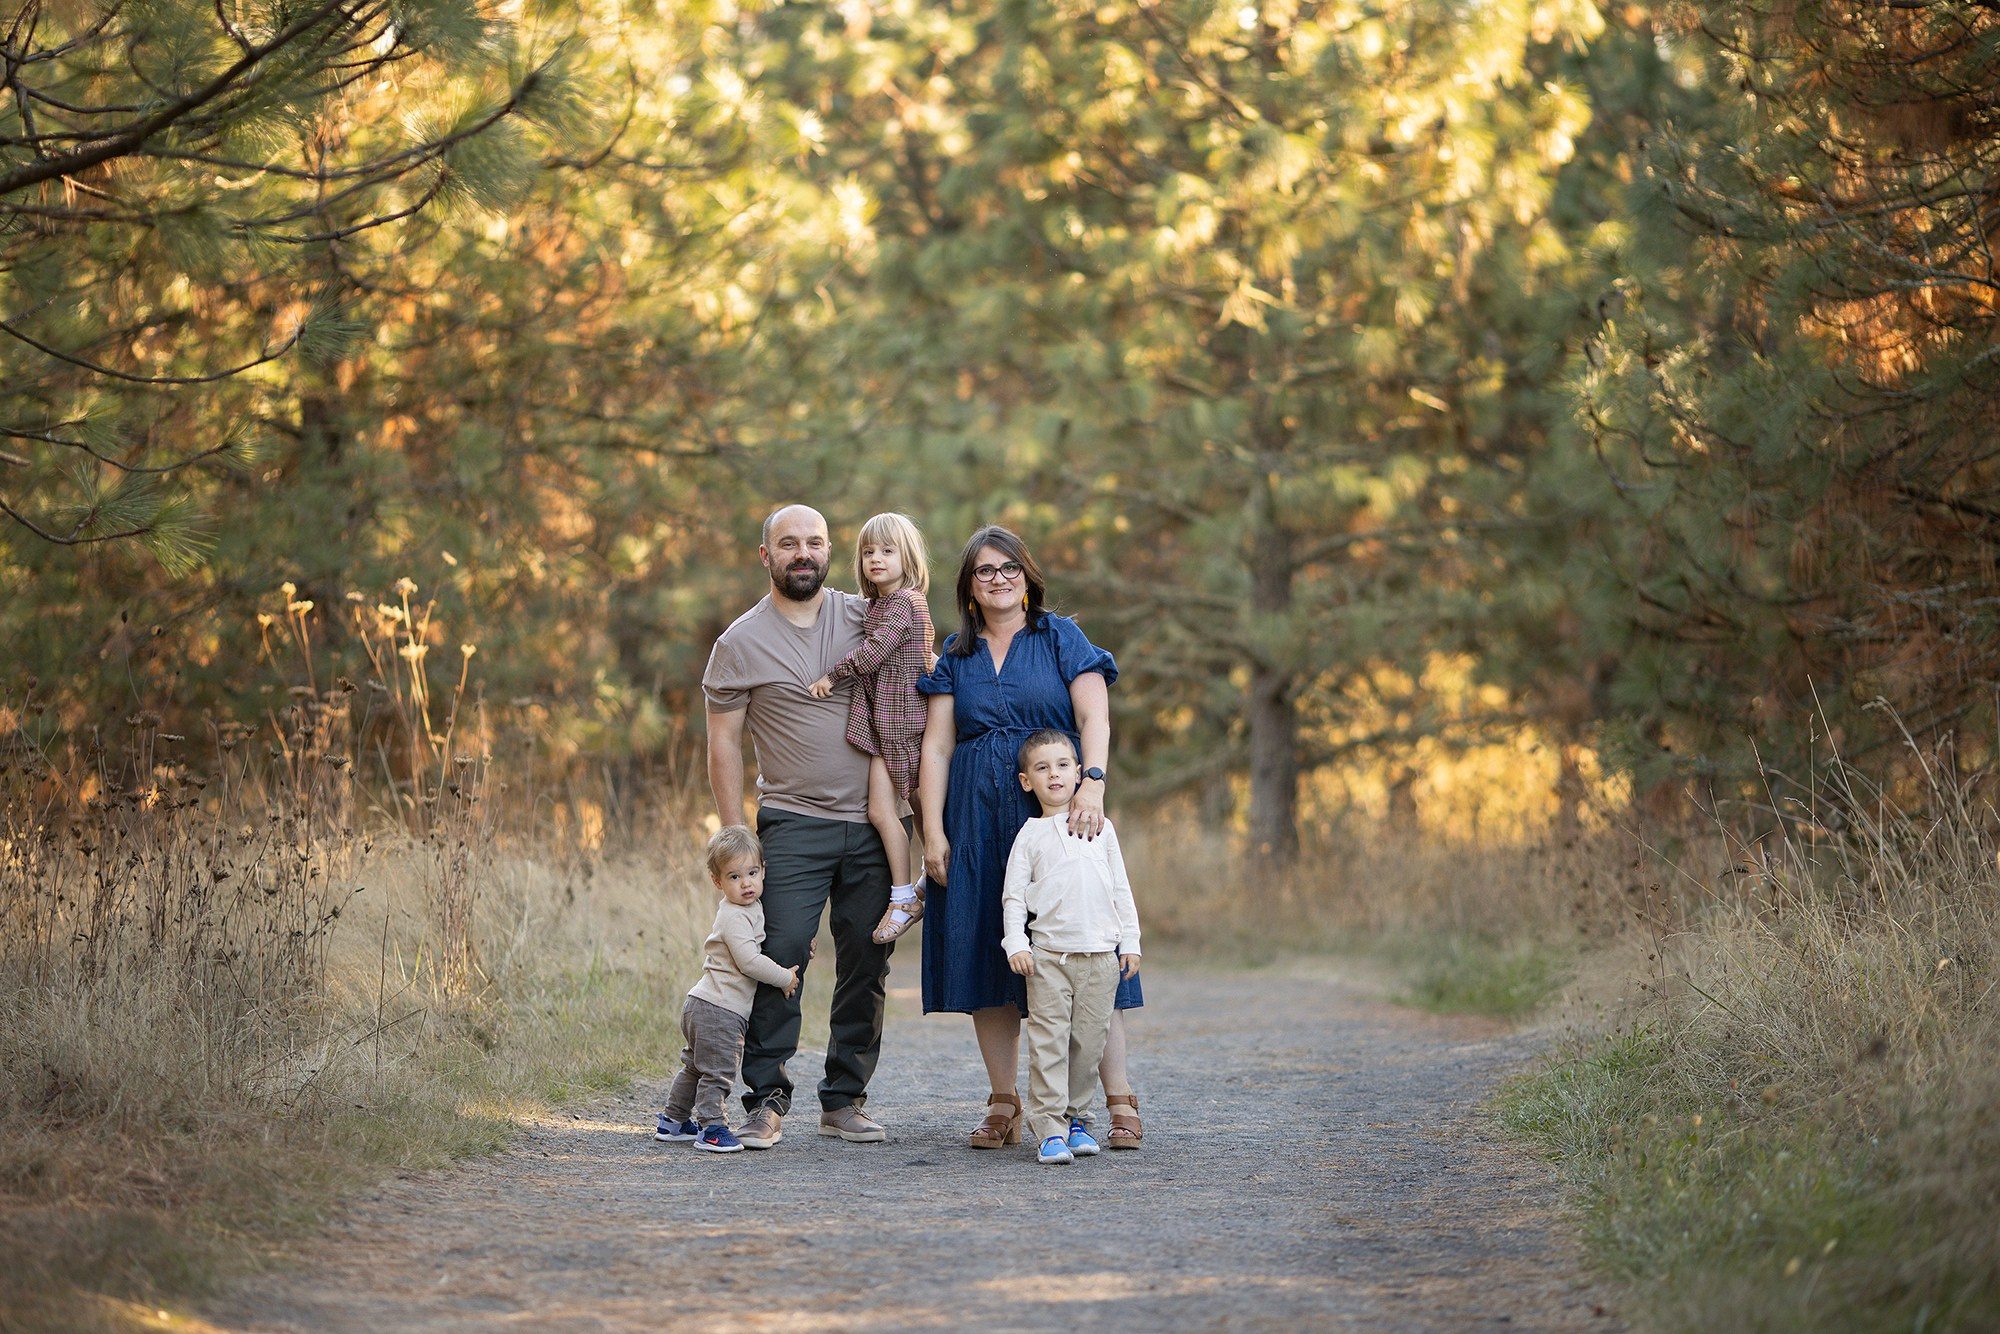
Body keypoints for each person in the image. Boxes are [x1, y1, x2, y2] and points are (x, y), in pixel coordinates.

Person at [917, 525, 1145, 1152]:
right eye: (984, 570)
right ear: (968, 586)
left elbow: (1094, 716)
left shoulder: (1059, 636)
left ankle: (1116, 1097)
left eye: (1009, 567)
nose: (998, 579)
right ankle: (1005, 1101)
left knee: (1085, 947)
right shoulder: (956, 654)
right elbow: (937, 746)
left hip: (1058, 813)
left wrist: (1093, 784)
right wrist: (932, 830)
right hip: (975, 819)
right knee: (990, 949)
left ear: (1027, 576)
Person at [703, 504, 901, 1149]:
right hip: (791, 823)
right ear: (767, 556)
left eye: (814, 542)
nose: (803, 554)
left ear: (828, 550)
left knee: (866, 958)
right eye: (788, 544)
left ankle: (843, 1099)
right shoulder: (739, 643)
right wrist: (736, 838)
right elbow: (724, 744)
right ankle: (766, 1099)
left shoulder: (865, 616)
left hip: (873, 825)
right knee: (779, 952)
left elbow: (919, 669)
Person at [1002, 730, 1142, 1165]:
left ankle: (1076, 1118)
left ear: (1079, 773)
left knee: (1088, 1044)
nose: (1054, 775)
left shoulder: (1103, 829)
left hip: (1100, 957)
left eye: (1063, 765)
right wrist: (1016, 943)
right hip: (1048, 959)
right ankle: (1049, 1129)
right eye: (1042, 768)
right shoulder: (1030, 835)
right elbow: (1014, 896)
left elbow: (1120, 889)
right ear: (1027, 781)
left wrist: (1130, 941)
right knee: (1049, 1042)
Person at [806, 512, 937, 944]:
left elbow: (875, 650)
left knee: (924, 808)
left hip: (907, 724)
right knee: (883, 811)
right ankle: (904, 895)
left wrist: (833, 674)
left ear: (908, 558)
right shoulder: (878, 605)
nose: (875, 559)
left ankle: (924, 881)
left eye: (887, 551)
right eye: (867, 552)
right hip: (885, 726)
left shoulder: (907, 602)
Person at [655, 825, 801, 1154]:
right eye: (734, 877)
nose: (746, 883)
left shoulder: (749, 908)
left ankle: (673, 1121)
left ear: (763, 871)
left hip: (703, 1003)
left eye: (752, 873)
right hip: (720, 1009)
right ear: (717, 882)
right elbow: (749, 961)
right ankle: (712, 1128)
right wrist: (783, 977)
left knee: (696, 1067)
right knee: (717, 1073)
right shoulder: (734, 916)